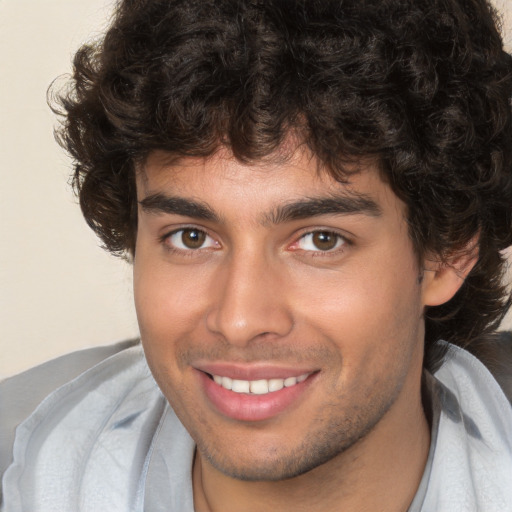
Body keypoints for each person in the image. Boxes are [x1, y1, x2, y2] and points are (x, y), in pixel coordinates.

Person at [1, 0, 512, 510]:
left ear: (447, 252)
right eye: (191, 237)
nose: (240, 320)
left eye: (320, 240)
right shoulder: (18, 456)